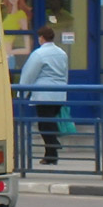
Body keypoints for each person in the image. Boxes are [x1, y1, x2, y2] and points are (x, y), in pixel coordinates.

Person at [19, 26, 69, 165]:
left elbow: (29, 73)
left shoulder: (39, 54)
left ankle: (53, 144)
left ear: (41, 38)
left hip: (44, 94)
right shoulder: (62, 53)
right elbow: (65, 73)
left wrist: (22, 92)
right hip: (59, 93)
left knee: (44, 124)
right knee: (49, 122)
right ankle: (51, 155)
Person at [0, 0, 32, 68]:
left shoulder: (21, 15)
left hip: (8, 57)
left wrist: (9, 52)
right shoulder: (3, 12)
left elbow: (27, 49)